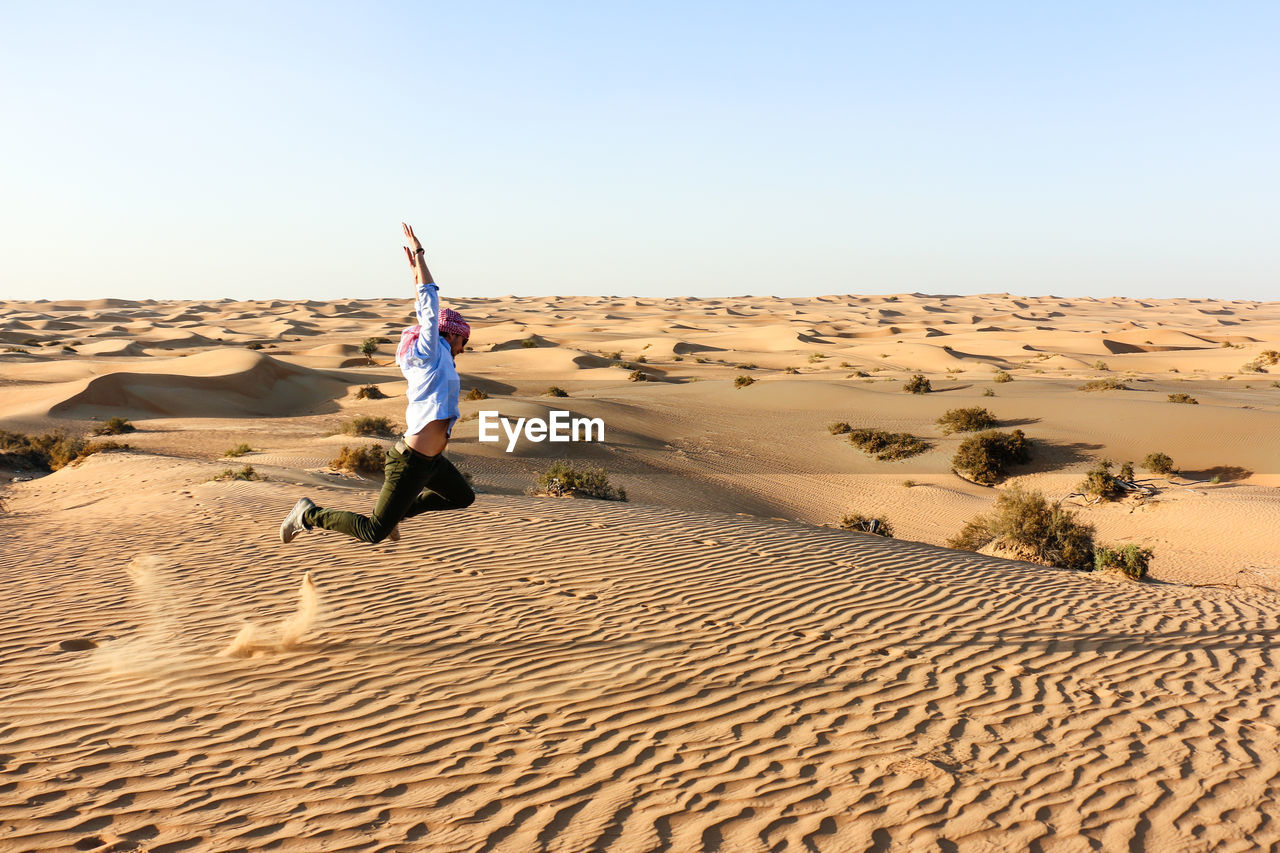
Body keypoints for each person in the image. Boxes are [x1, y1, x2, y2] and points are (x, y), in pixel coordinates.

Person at [280, 223, 475, 545]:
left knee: (462, 497)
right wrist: (420, 255)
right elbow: (428, 307)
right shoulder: (429, 352)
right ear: (451, 334)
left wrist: (414, 274)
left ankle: (398, 513)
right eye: (463, 340)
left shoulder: (440, 358)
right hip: (411, 462)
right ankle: (307, 514)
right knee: (373, 532)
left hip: (432, 462)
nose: (464, 348)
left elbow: (425, 308)